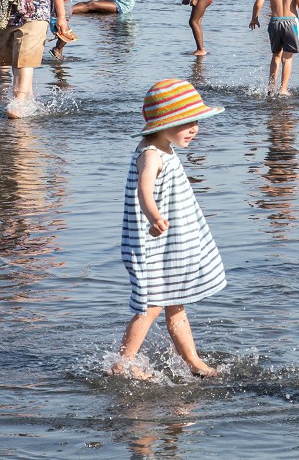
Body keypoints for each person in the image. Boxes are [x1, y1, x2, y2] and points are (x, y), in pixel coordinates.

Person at [114, 79, 227, 379]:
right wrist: (153, 216)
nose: (194, 129)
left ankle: (194, 363)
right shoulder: (151, 153)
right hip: (151, 245)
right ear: (164, 123)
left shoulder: (164, 147)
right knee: (150, 306)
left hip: (166, 247)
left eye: (196, 122)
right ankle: (122, 363)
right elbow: (144, 189)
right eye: (186, 123)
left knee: (175, 303)